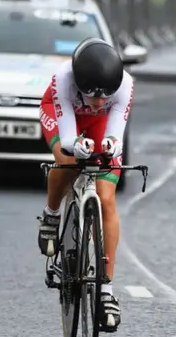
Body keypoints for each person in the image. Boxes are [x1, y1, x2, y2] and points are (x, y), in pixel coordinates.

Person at [37, 37, 134, 332]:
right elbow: (67, 138)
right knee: (67, 161)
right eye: (93, 95)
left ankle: (106, 290)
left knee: (106, 199)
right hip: (62, 116)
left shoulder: (126, 84)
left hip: (99, 125)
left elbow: (116, 135)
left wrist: (111, 145)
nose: (100, 101)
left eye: (107, 96)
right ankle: (52, 215)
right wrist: (74, 145)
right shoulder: (63, 80)